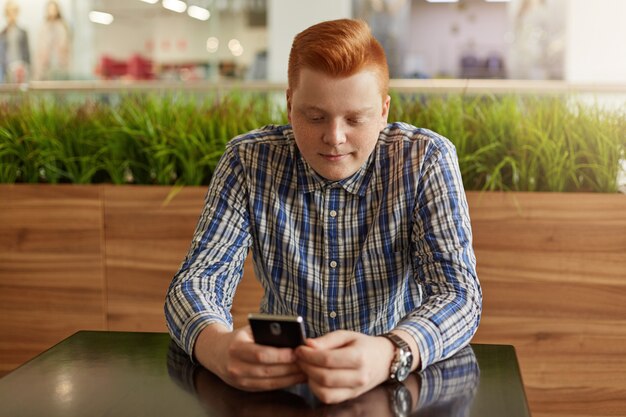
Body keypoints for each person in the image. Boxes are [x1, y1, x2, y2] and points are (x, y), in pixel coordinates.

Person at [164, 18, 481, 404]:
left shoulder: (425, 159)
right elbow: (196, 282)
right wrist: (215, 346)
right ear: (289, 105)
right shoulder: (249, 161)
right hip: (280, 391)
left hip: (393, 384)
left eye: (355, 119)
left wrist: (391, 352)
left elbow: (459, 295)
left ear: (383, 112)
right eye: (315, 117)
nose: (334, 137)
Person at [34, 0, 70, 80]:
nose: (52, 11)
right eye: (50, 9)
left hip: (60, 64)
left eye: (53, 9)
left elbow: (66, 47)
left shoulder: (62, 27)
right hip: (46, 65)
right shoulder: (44, 27)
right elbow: (40, 49)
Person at [0, 0, 30, 83]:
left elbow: (27, 55)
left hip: (22, 70)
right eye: (9, 12)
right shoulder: (3, 33)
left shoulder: (23, 32)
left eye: (14, 12)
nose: (11, 15)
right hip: (7, 70)